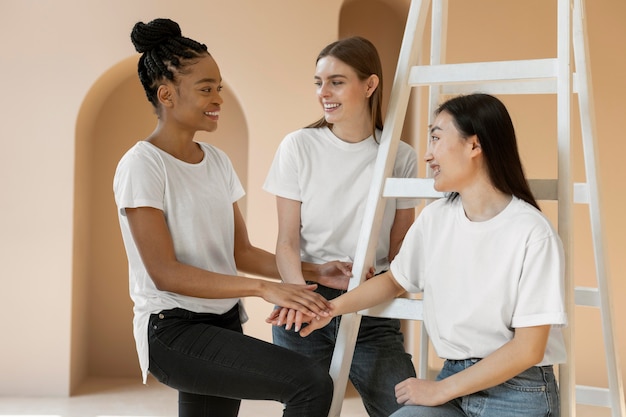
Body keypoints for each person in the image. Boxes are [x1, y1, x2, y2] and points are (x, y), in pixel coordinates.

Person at [113, 18, 355, 417]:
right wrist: (264, 289)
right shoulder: (142, 165)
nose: (218, 99)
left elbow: (239, 251)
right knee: (311, 384)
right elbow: (165, 273)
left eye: (219, 88)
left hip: (222, 324)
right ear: (166, 95)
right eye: (206, 89)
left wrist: (317, 270)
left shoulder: (217, 162)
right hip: (174, 331)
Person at [290, 93, 567, 417]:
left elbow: (528, 349)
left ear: (474, 146)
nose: (427, 155)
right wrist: (330, 309)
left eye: (436, 138)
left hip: (518, 389)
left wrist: (439, 389)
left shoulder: (532, 232)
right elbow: (394, 280)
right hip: (454, 377)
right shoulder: (436, 218)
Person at [263, 36, 418, 417]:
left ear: (370, 85)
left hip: (371, 308)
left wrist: (380, 277)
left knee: (406, 410)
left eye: (336, 81)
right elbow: (286, 243)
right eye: (318, 82)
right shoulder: (297, 146)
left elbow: (400, 251)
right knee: (305, 409)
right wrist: (300, 297)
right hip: (305, 302)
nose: (324, 92)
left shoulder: (400, 156)